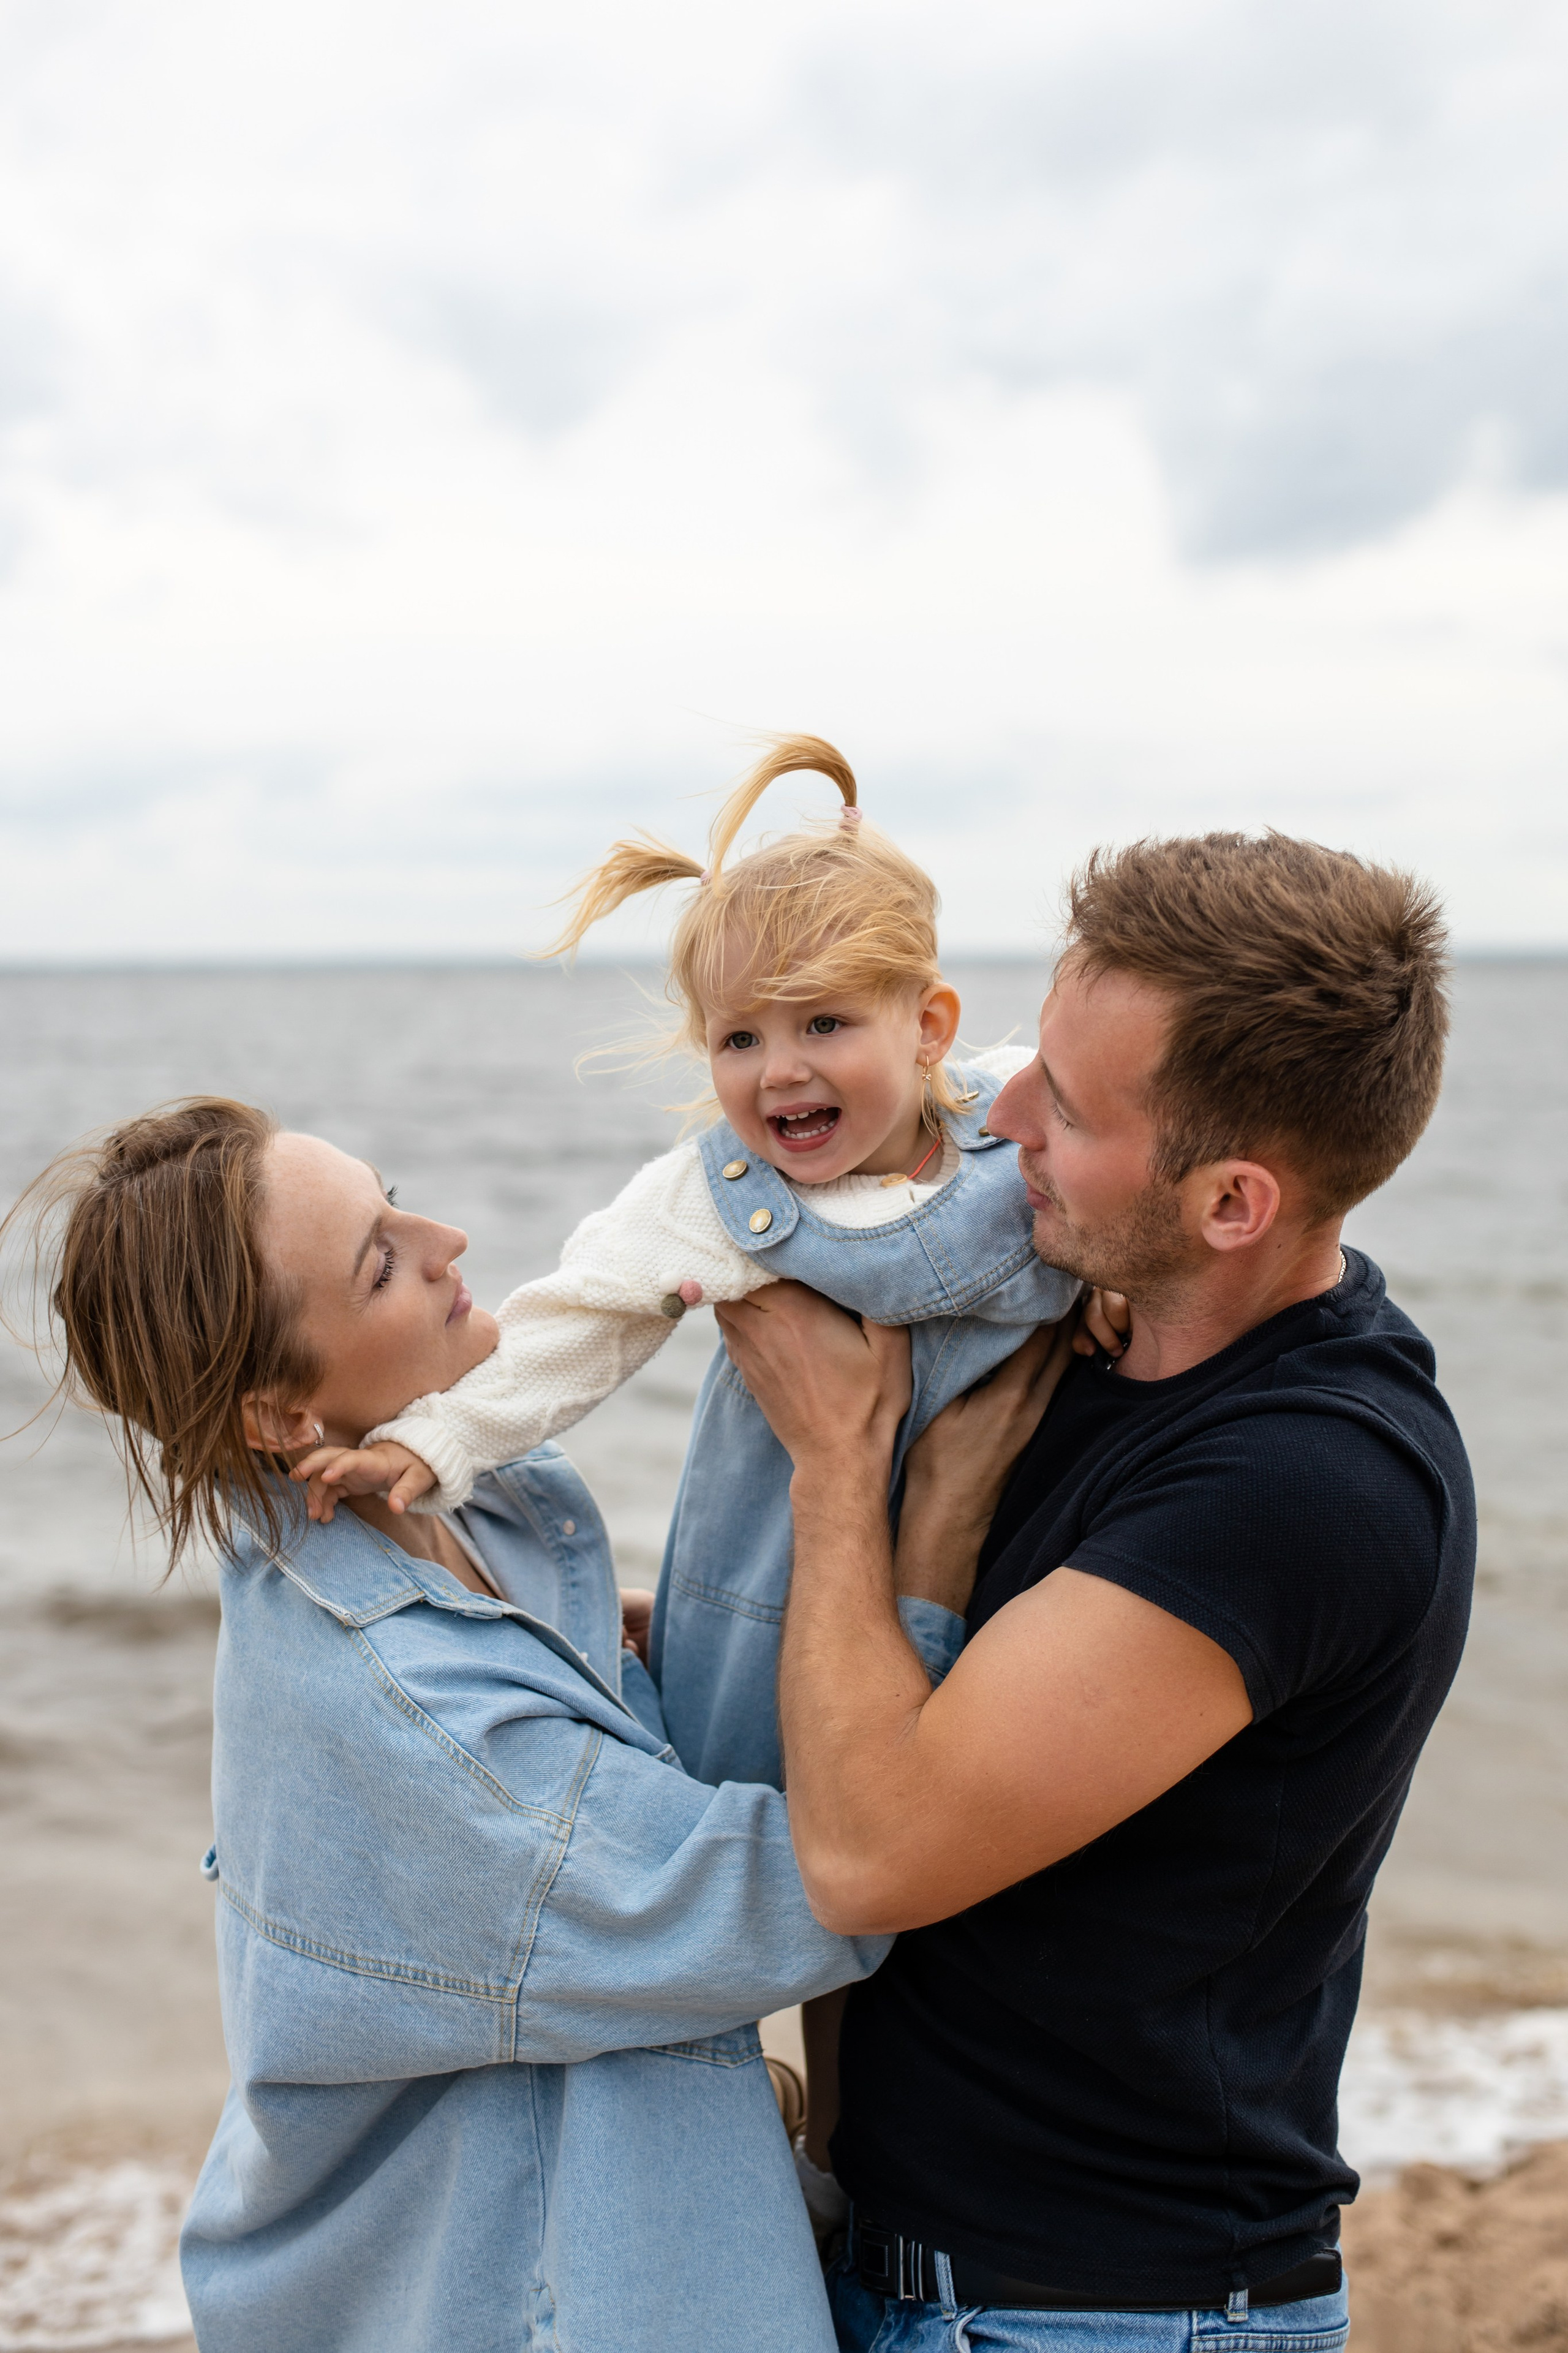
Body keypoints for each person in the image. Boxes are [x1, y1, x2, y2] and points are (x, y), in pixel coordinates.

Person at [9, 1097, 967, 2353]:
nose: (448, 1237)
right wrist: (905, 1516)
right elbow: (835, 1886)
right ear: (282, 1418)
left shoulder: (479, 1499)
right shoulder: (410, 1716)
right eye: (380, 1261)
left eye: (396, 1195)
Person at [715, 831, 1476, 2352]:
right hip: (913, 2267)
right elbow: (900, 1671)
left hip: (1104, 2312)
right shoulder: (1095, 1339)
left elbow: (871, 1853)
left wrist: (831, 1462)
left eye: (1063, 1106)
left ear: (1232, 1204)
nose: (998, 1118)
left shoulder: (1304, 1483)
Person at [295, 734, 1090, 1793]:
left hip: (1008, 1527)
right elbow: (582, 1319)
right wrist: (440, 1437)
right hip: (784, 1559)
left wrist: (1117, 1285)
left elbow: (1119, 1190)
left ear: (931, 1027)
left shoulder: (1020, 1117)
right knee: (778, 1776)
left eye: (824, 1022)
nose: (782, 1070)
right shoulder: (719, 1199)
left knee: (987, 1774)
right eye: (740, 1040)